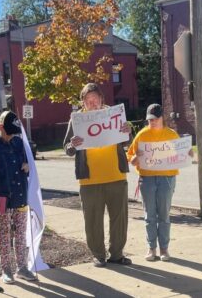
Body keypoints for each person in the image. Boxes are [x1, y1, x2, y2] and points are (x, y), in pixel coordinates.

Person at [63, 83, 132, 267]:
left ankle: (117, 254)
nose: (92, 103)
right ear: (83, 102)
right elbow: (68, 149)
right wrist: (73, 145)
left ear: (102, 99)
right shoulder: (77, 120)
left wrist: (128, 132)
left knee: (119, 219)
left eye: (95, 99)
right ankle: (98, 255)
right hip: (89, 180)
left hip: (116, 176)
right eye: (88, 100)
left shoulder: (114, 115)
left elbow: (126, 142)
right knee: (93, 221)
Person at [0, 110, 37, 284]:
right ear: (0, 127)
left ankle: (22, 268)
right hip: (1, 196)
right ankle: (7, 270)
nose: (12, 136)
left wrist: (28, 165)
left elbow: (30, 161)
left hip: (20, 194)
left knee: (20, 233)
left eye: (15, 133)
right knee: (4, 234)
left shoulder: (18, 141)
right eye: (9, 133)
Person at [126, 104, 182, 262]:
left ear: (162, 118)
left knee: (164, 214)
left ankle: (164, 248)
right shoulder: (142, 135)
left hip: (167, 178)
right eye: (150, 119)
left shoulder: (171, 134)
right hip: (147, 178)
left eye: (156, 119)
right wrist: (136, 158)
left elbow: (181, 154)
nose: (153, 122)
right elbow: (130, 157)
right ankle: (152, 248)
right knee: (149, 215)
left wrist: (187, 153)